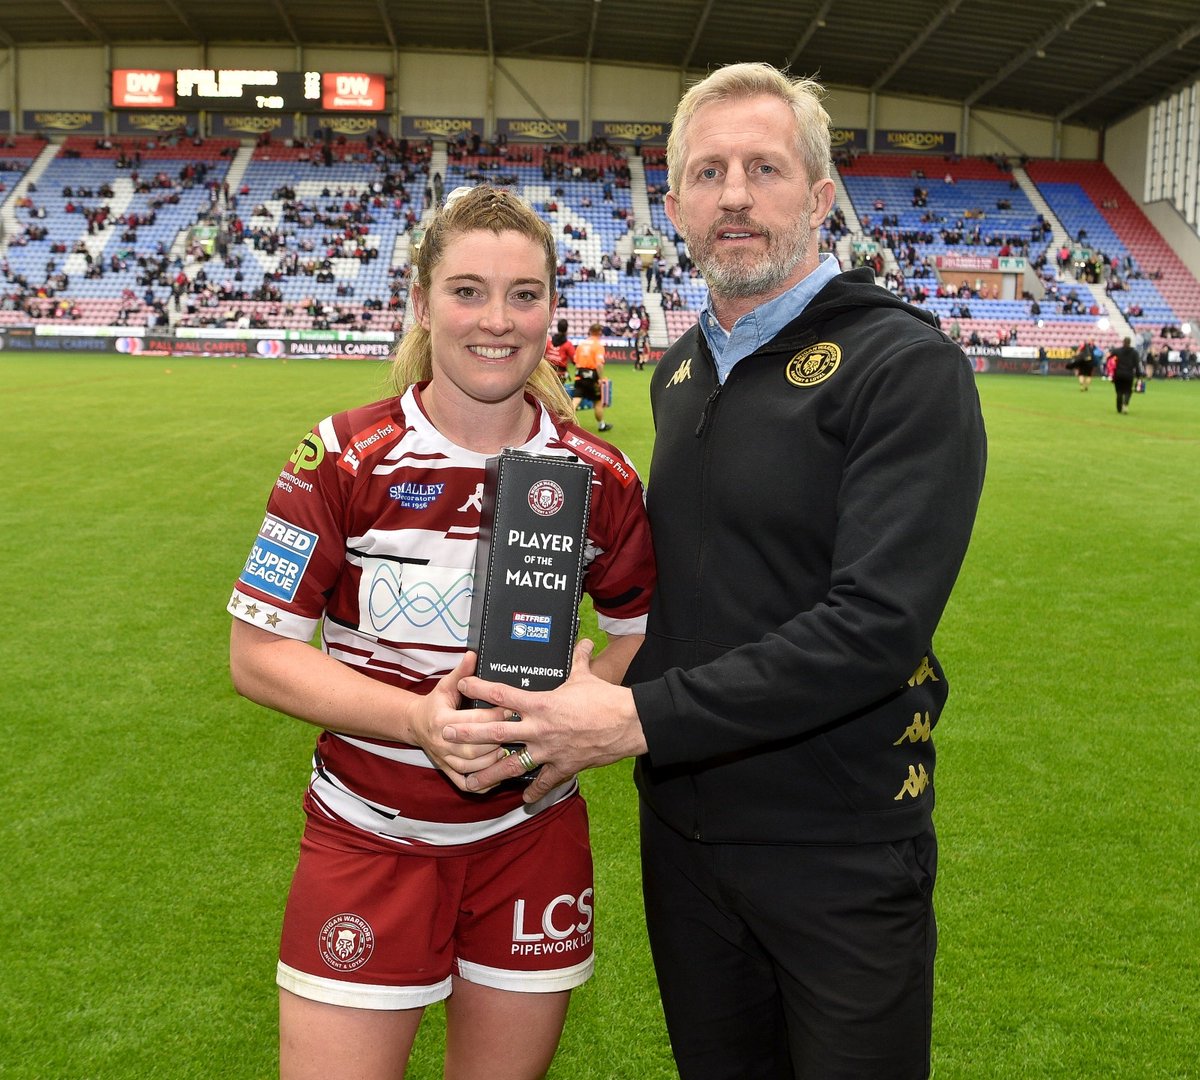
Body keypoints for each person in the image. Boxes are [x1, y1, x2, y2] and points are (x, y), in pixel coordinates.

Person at [446, 62, 987, 1080]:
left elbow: (875, 626)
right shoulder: (682, 371)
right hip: (687, 837)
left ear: (820, 198)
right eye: (708, 172)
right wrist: (573, 706)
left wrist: (633, 720)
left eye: (764, 169)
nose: (734, 195)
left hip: (838, 843)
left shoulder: (902, 367)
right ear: (675, 204)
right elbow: (683, 601)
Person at [227, 185, 655, 1080]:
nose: (496, 320)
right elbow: (260, 655)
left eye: (524, 295)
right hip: (365, 837)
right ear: (421, 304)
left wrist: (578, 725)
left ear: (551, 310)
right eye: (467, 291)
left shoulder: (600, 474)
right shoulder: (340, 457)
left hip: (530, 842)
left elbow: (638, 633)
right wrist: (419, 723)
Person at [572, 322, 613, 431]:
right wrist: (600, 379)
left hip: (579, 374)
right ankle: (601, 425)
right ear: (599, 332)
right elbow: (599, 364)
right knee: (598, 402)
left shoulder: (581, 344)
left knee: (576, 400)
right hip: (592, 376)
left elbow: (575, 361)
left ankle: (568, 423)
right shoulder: (598, 345)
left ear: (590, 331)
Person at [1111, 335, 1140, 413]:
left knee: (1119, 391)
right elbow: (1137, 365)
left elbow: (1109, 358)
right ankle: (1125, 404)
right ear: (1130, 343)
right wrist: (1138, 375)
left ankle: (1119, 407)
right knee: (1128, 391)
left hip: (1118, 374)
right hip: (1129, 374)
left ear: (1123, 342)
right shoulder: (1134, 352)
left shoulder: (1117, 351)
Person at [544, 315, 574, 385]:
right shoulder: (568, 344)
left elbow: (542, 355)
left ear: (557, 328)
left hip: (548, 372)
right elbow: (574, 360)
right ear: (566, 329)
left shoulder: (548, 341)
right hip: (560, 374)